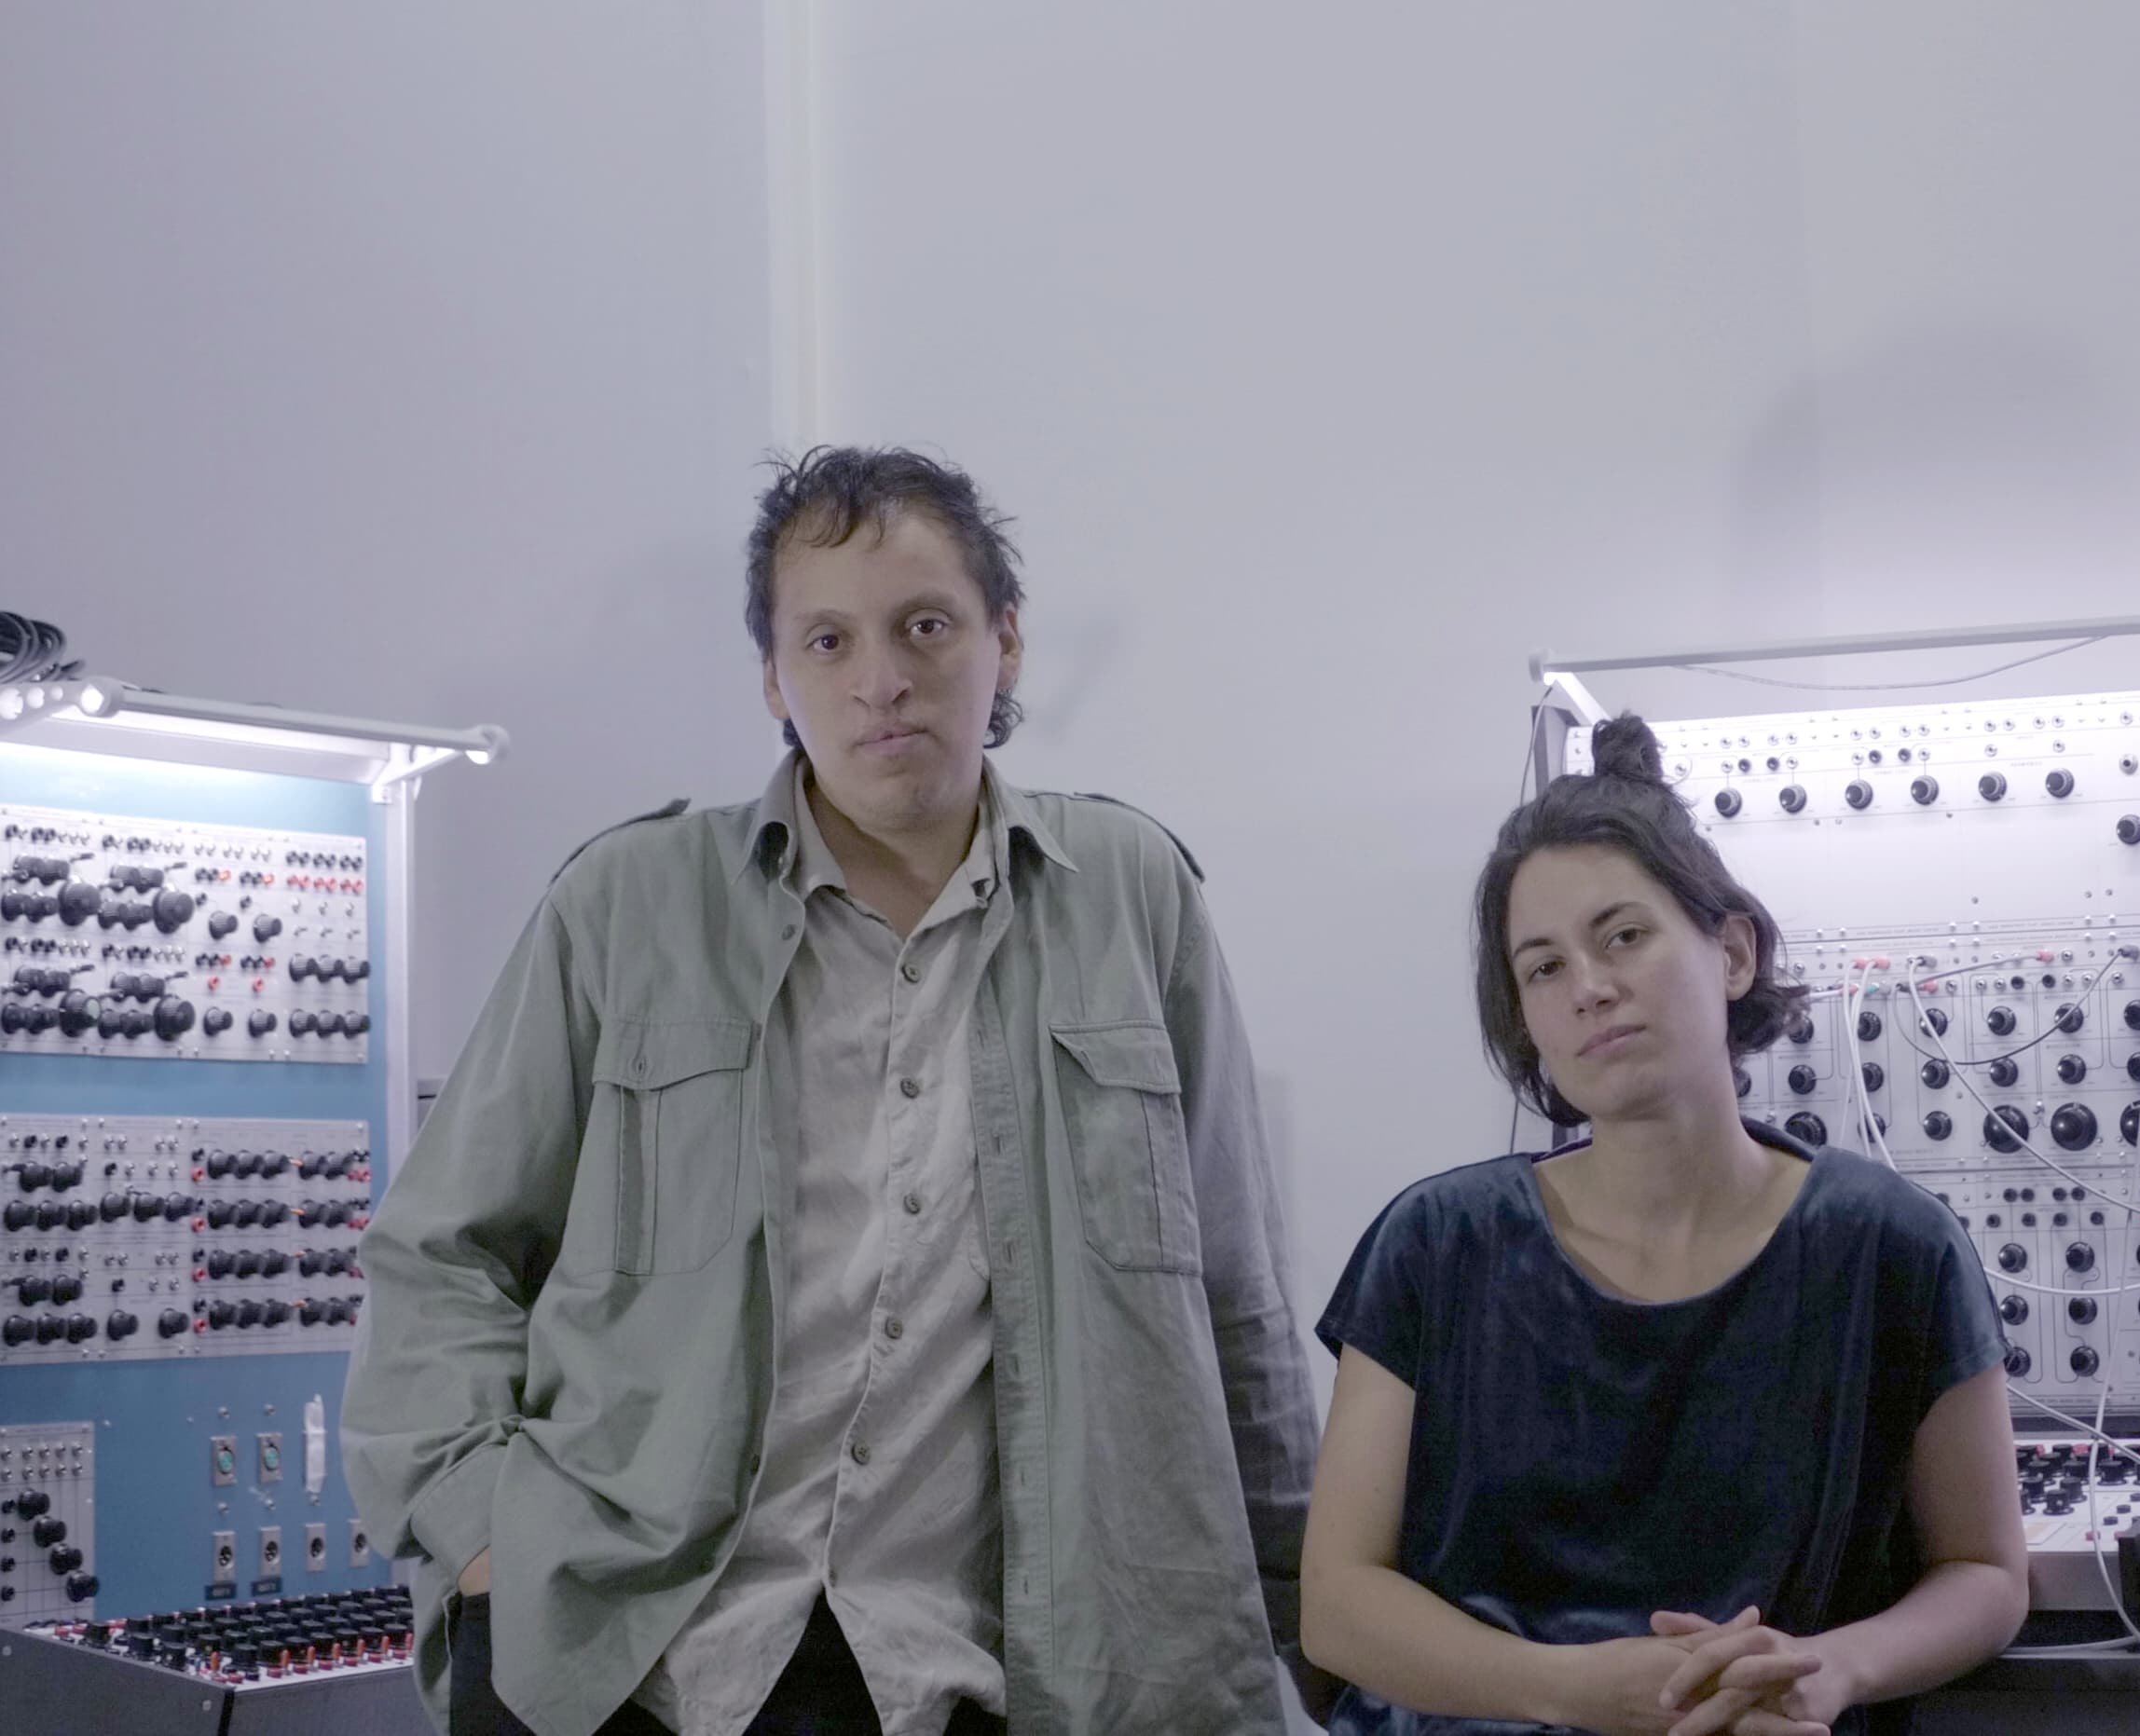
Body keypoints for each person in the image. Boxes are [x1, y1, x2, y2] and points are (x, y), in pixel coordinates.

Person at [343, 446, 1326, 1736]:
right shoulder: (627, 904)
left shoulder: (1132, 892)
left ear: (1006, 641)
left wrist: (1312, 1613)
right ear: (773, 675)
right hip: (635, 1655)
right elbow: (443, 1255)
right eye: (827, 638)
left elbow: (1231, 1290)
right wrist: (484, 1541)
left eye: (927, 625)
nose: (883, 679)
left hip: (1003, 1667)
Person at [1299, 714, 2027, 1736]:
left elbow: (1987, 1571)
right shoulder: (1436, 1244)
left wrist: (1828, 1668)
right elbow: (1337, 1606)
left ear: (1730, 952)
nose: (1589, 987)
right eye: (1542, 967)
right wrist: (1584, 1692)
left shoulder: (1890, 1247)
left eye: (1623, 937)